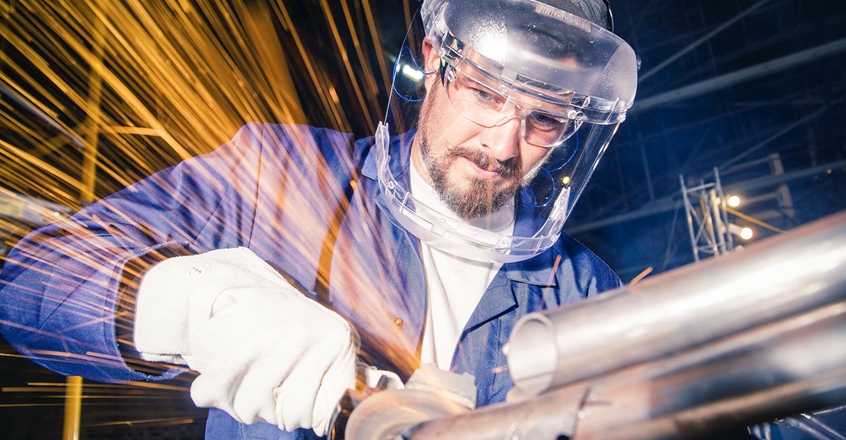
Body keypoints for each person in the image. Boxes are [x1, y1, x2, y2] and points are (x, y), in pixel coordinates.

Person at [0, 0, 638, 438]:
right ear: (434, 57)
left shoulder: (583, 292)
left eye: (545, 119)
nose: (504, 144)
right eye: (485, 93)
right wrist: (190, 307)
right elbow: (32, 276)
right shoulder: (280, 177)